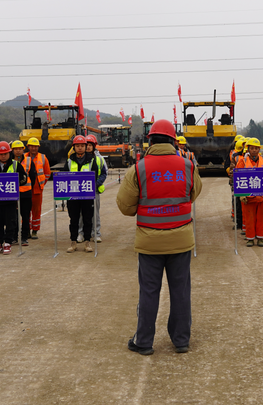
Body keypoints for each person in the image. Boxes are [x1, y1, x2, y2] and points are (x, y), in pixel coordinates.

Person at [116, 119, 202, 355]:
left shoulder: (139, 168)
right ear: (174, 141)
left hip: (149, 242)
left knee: (149, 292)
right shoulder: (187, 166)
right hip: (181, 240)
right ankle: (181, 340)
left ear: (150, 141)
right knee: (181, 291)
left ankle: (143, 341)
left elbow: (125, 206)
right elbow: (194, 193)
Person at [236, 138, 263, 247]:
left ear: (259, 149)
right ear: (248, 149)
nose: (254, 150)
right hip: (248, 198)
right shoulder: (242, 162)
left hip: (262, 197)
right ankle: (250, 239)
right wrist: (241, 194)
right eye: (252, 148)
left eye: (256, 148)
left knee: (262, 218)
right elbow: (238, 179)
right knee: (249, 219)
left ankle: (261, 238)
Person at [64, 135, 96, 253]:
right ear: (74, 147)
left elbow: (95, 176)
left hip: (87, 196)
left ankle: (87, 242)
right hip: (73, 197)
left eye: (82, 146)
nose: (80, 148)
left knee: (88, 219)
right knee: (74, 220)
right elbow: (64, 177)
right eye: (78, 146)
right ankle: (73, 243)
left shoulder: (92, 160)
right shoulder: (69, 161)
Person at [24, 137, 50, 241]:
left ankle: (35, 230)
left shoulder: (43, 158)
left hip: (37, 189)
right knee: (25, 211)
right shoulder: (23, 157)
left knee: (36, 211)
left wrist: (42, 183)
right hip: (25, 189)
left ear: (38, 147)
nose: (33, 148)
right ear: (28, 147)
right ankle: (26, 230)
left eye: (35, 146)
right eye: (31, 146)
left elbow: (47, 173)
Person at [86, 134, 108, 243]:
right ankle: (83, 233)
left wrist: (96, 183)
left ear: (94, 146)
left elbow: (104, 173)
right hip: (83, 190)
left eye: (91, 145)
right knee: (82, 213)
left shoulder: (99, 159)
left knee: (95, 213)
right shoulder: (80, 158)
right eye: (87, 145)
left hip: (94, 190)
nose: (88, 147)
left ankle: (96, 234)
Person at [9, 140, 29, 246]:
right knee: (13, 216)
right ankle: (14, 237)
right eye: (16, 149)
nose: (18, 151)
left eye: (20, 149)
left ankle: (24, 237)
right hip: (12, 194)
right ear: (12, 150)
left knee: (25, 216)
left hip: (26, 193)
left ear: (23, 150)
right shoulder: (9, 162)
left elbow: (33, 177)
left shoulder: (28, 161)